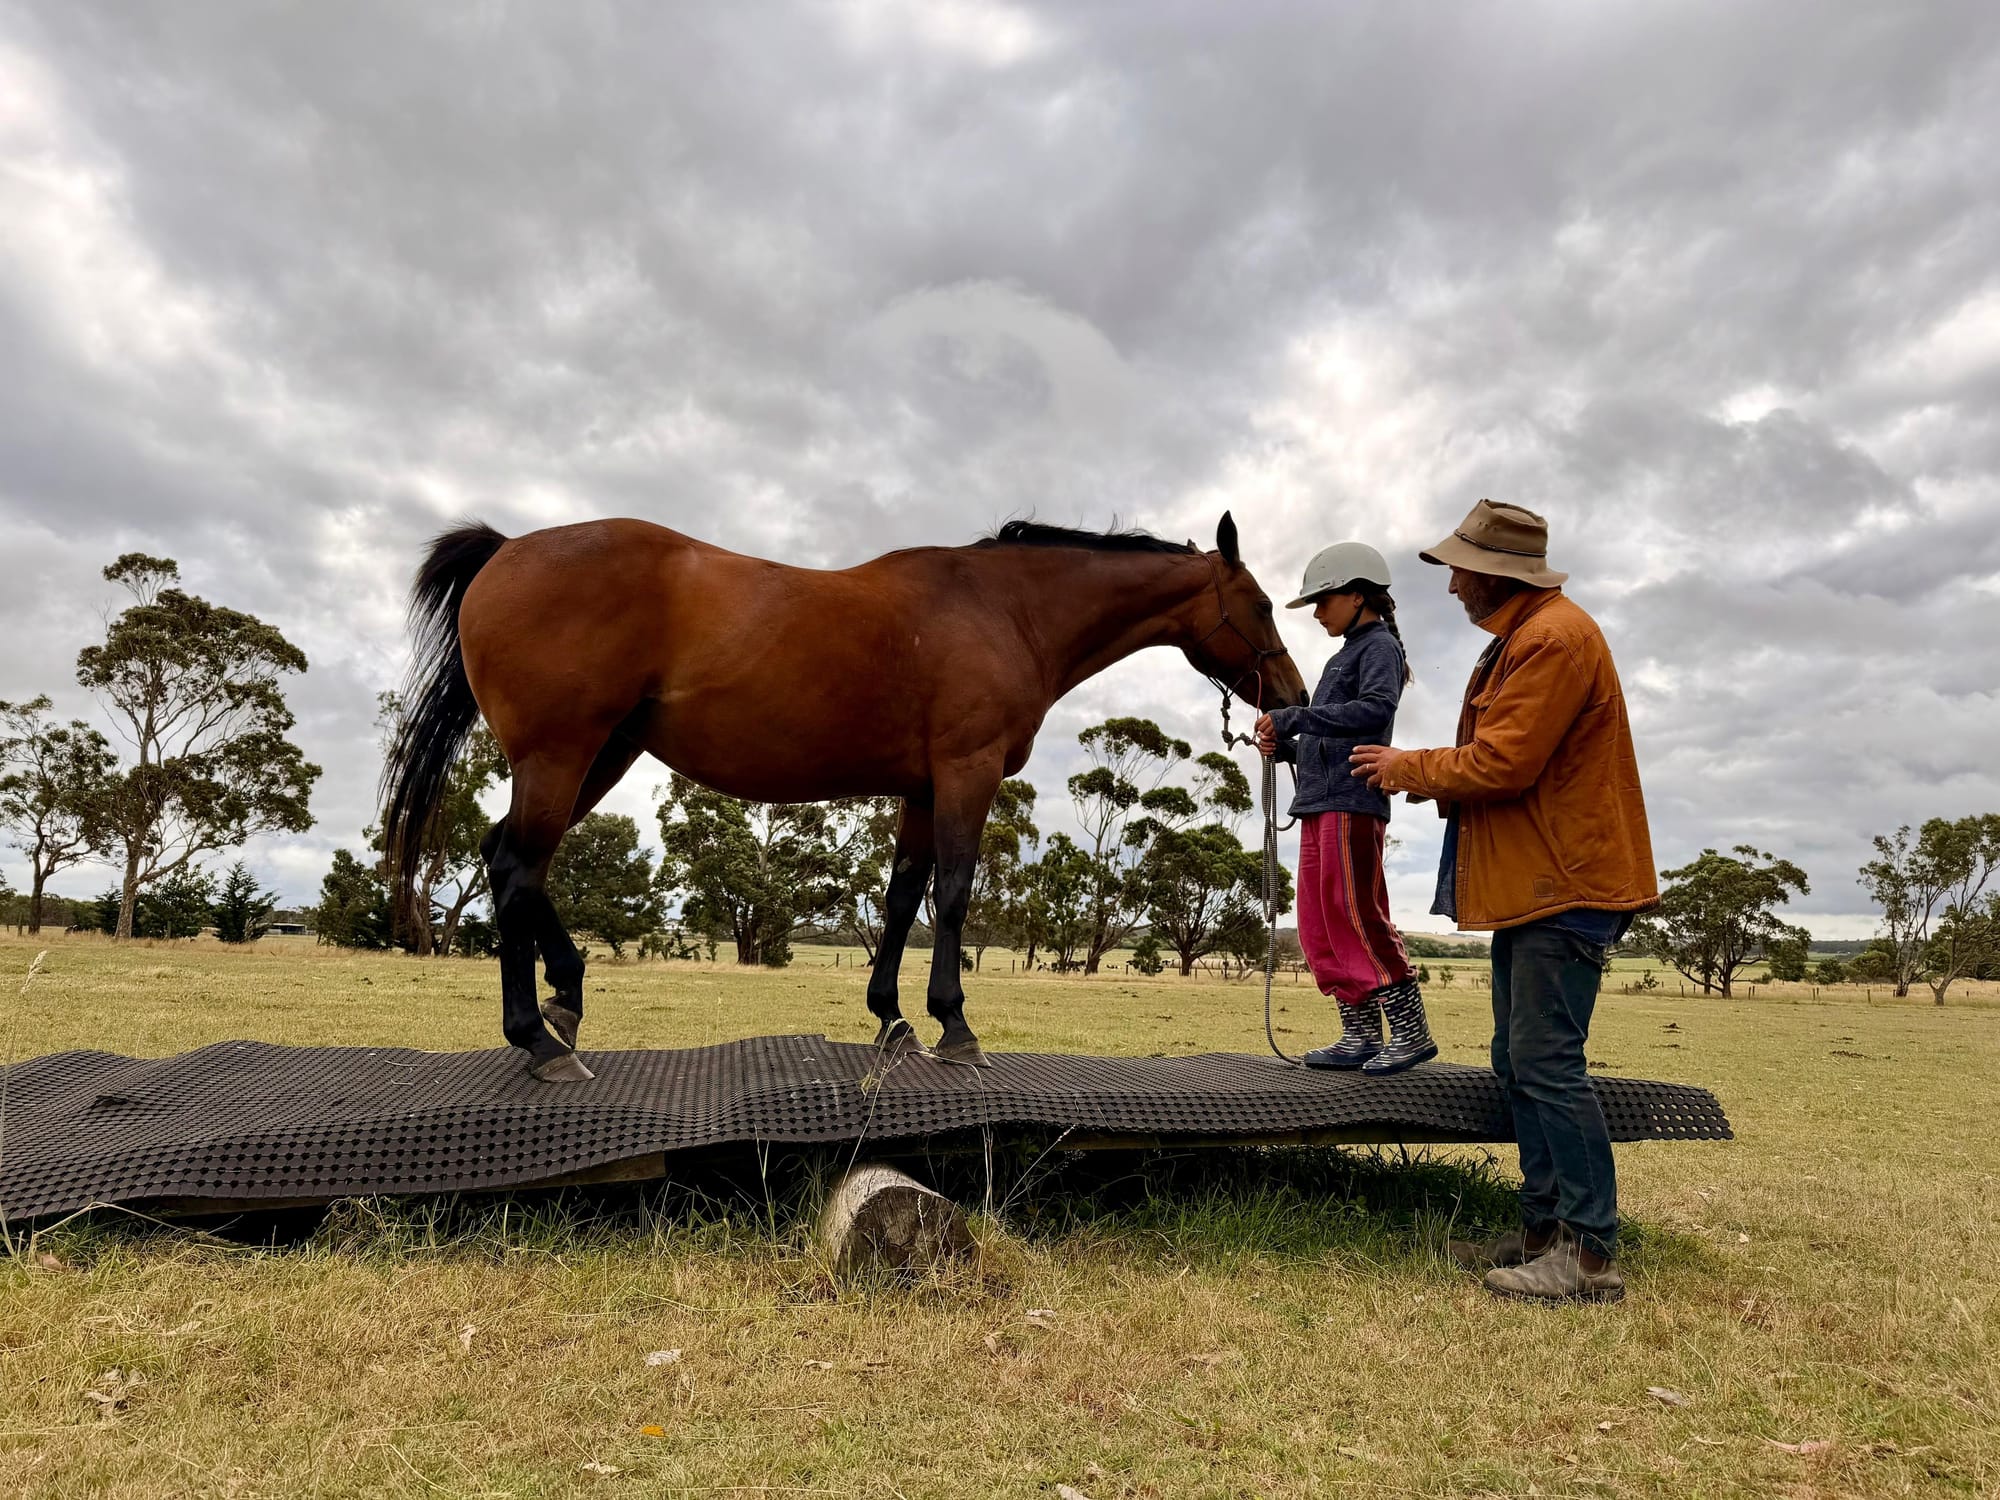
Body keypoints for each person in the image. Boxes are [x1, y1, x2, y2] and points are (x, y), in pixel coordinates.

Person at [1350, 500, 1657, 1304]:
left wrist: (1405, 767)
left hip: (1566, 888)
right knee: (1518, 1062)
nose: (1450, 584)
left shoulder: (1552, 640)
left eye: (1458, 569)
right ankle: (1543, 1233)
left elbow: (1504, 763)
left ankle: (1588, 1256)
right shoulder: (1528, 637)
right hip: (1540, 887)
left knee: (1550, 1067)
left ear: (1496, 574)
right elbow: (1504, 764)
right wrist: (1433, 776)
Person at [1254, 542, 1435, 1075]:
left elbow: (1376, 709)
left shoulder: (1379, 647)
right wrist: (1285, 744)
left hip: (1352, 803)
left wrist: (1296, 719)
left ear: (1358, 596)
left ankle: (1410, 1031)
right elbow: (1325, 733)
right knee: (1318, 923)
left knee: (1355, 914)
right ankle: (1358, 1034)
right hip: (1319, 803)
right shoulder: (1343, 655)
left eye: (1324, 600)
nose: (1316, 612)